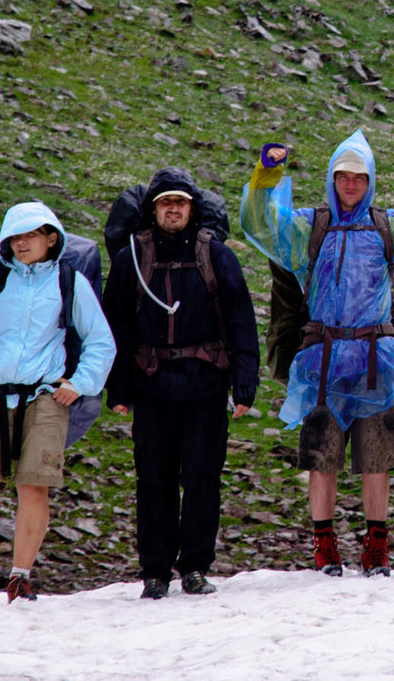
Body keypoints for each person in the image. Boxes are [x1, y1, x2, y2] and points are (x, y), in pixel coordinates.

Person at [240, 128, 394, 575]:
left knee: (378, 459)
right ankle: (324, 546)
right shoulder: (308, 228)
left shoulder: (387, 227)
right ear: (332, 180)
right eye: (342, 177)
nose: (350, 185)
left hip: (376, 360)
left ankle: (376, 547)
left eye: (358, 178)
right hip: (323, 361)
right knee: (321, 459)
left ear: (370, 181)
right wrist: (267, 172)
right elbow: (259, 225)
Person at [0, 202, 116, 604]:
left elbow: (101, 341)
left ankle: (21, 578)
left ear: (52, 239)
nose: (21, 244)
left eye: (30, 235)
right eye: (15, 237)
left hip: (46, 395)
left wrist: (80, 384)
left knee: (34, 487)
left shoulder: (70, 281)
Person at [104, 167, 259, 599]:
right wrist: (117, 389)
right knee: (153, 478)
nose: (174, 209)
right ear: (153, 209)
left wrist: (243, 384)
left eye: (181, 203)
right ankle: (155, 571)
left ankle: (194, 566)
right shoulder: (130, 258)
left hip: (206, 385)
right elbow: (114, 326)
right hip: (152, 386)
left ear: (193, 208)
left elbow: (242, 321)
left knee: (203, 475)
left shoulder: (218, 256)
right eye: (166, 203)